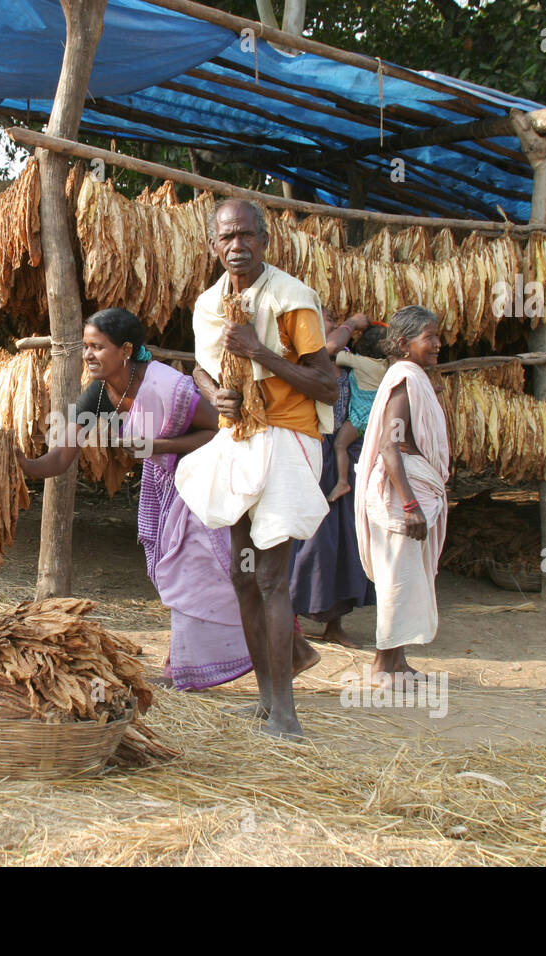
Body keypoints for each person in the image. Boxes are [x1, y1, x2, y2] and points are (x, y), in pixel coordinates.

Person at [18, 307, 277, 690]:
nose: (88, 355)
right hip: (165, 489)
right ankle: (197, 663)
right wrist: (20, 463)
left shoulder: (166, 385)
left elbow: (220, 430)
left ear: (125, 349)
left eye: (97, 347)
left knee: (203, 576)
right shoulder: (98, 395)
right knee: (180, 576)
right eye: (85, 347)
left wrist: (156, 444)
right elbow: (59, 457)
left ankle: (215, 664)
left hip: (203, 485)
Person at [175, 198, 338, 740]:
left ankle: (287, 715)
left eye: (247, 235)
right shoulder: (208, 305)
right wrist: (213, 393)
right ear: (213, 245)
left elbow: (327, 385)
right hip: (238, 438)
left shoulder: (293, 299)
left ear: (265, 240)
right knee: (243, 574)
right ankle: (267, 700)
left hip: (288, 440)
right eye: (227, 237)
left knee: (270, 577)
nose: (237, 246)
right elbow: (201, 367)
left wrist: (261, 353)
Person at [354, 305, 449, 681]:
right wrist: (410, 505)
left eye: (437, 336)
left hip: (407, 490)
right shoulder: (404, 380)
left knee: (406, 578)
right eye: (430, 337)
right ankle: (382, 666)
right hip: (399, 496)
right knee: (397, 579)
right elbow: (390, 448)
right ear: (402, 343)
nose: (438, 344)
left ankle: (398, 662)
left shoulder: (413, 378)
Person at [289, 312, 377, 648]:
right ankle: (291, 620)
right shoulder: (307, 363)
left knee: (343, 542)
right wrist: (353, 324)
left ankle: (334, 625)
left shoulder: (353, 366)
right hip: (310, 455)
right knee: (306, 542)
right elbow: (328, 348)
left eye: (326, 323)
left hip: (341, 460)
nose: (325, 330)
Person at [328, 323, 389, 503]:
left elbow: (335, 353)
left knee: (340, 445)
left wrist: (349, 327)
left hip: (359, 418)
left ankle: (342, 482)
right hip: (378, 418)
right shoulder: (386, 365)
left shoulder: (359, 362)